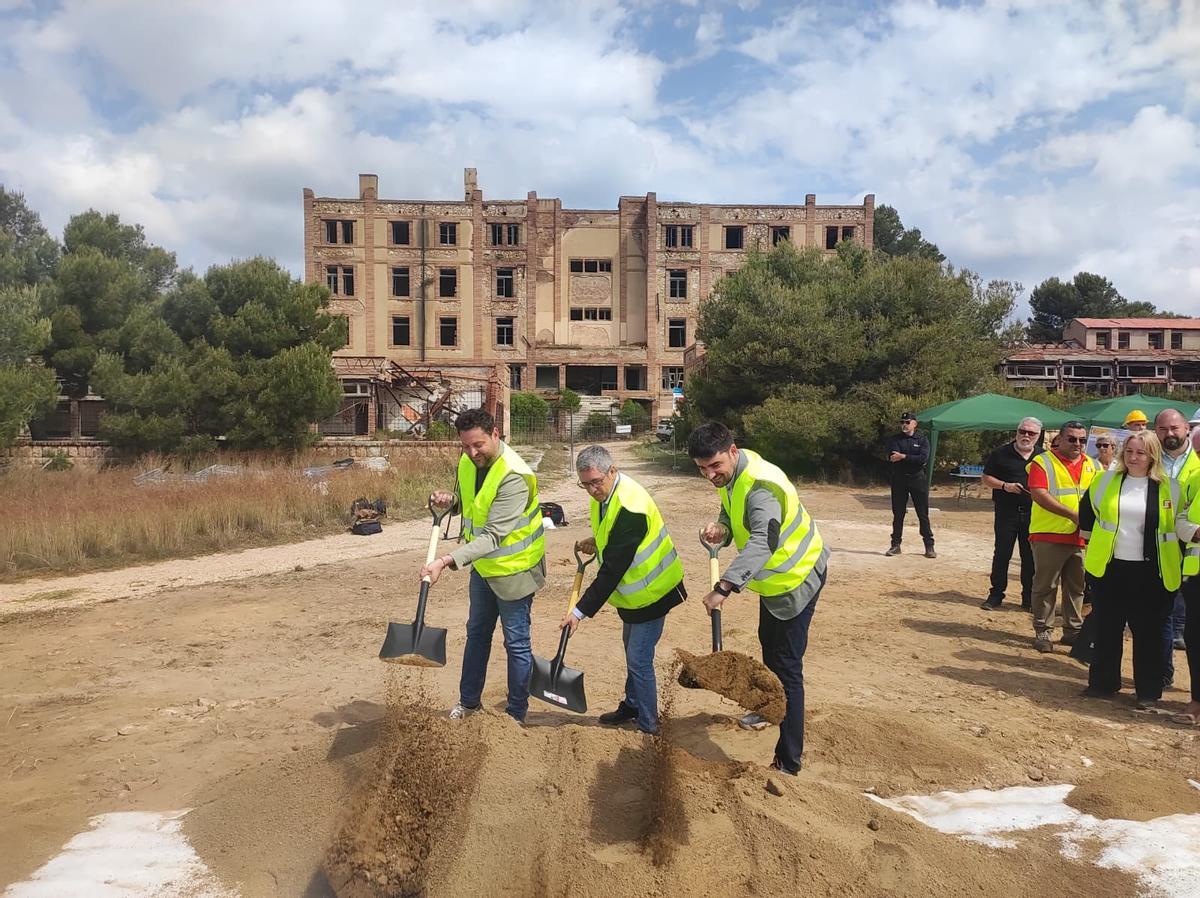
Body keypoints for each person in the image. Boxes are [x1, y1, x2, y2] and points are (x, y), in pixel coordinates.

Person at [688, 422, 829, 775]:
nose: (709, 475)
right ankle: (768, 707)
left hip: (797, 580)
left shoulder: (762, 488)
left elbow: (763, 542)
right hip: (773, 584)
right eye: (702, 468)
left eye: (715, 466)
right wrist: (722, 524)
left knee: (787, 668)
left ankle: (788, 761)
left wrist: (724, 588)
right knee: (770, 649)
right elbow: (734, 511)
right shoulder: (735, 473)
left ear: (732, 451)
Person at [421, 408, 546, 723]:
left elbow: (492, 536)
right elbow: (471, 502)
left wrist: (446, 560)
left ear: (495, 434)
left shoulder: (515, 476)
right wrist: (449, 501)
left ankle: (516, 713)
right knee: (477, 632)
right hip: (484, 569)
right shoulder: (467, 461)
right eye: (466, 446)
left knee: (516, 642)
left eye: (478, 445)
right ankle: (468, 703)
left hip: (515, 570)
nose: (472, 452)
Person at [560, 446, 685, 735]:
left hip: (653, 592)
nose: (592, 490)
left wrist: (579, 612)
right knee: (632, 651)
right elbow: (613, 535)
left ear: (612, 471)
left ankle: (648, 726)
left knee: (639, 659)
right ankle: (633, 705)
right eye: (586, 484)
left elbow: (612, 570)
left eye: (596, 482)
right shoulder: (607, 495)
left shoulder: (631, 506)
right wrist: (598, 540)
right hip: (634, 595)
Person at [1080, 432, 1181, 710]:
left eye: (1141, 453)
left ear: (1153, 456)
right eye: (1130, 452)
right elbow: (1087, 517)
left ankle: (1147, 691)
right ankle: (1102, 684)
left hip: (1152, 573)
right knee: (1107, 629)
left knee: (1148, 634)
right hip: (1111, 569)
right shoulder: (1103, 482)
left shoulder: (1171, 488)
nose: (1134, 458)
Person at [1027, 421, 1099, 653]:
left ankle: (1072, 631)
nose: (1077, 443)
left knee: (1077, 587)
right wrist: (1073, 515)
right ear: (1059, 439)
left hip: (1082, 537)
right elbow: (1038, 493)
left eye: (1082, 439)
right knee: (1045, 586)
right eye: (1072, 439)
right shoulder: (1043, 461)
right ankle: (1043, 631)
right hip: (1049, 534)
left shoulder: (1094, 465)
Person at [980, 417, 1042, 610]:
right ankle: (996, 595)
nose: (1026, 435)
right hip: (1007, 513)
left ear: (1038, 436)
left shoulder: (1044, 456)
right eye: (1022, 431)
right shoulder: (1000, 453)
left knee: (1030, 557)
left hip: (1034, 514)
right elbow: (986, 478)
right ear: (1016, 432)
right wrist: (1004, 486)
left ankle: (1028, 598)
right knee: (1002, 554)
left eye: (1031, 433)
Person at [1155, 408, 1195, 673]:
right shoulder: (1145, 459)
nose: (1169, 434)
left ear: (1187, 429)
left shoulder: (1199, 467)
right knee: (1159, 614)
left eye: (1174, 428)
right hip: (1154, 545)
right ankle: (1162, 672)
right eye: (1163, 429)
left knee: (1189, 613)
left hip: (1191, 546)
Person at [1173, 429, 1200, 726]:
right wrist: (1195, 532)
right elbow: (1179, 519)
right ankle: (1197, 700)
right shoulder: (1195, 480)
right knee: (1195, 639)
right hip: (1197, 574)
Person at [885, 412, 935, 558]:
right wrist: (907, 458)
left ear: (915, 424)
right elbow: (892, 457)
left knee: (922, 513)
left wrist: (904, 456)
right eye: (902, 422)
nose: (904, 425)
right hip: (899, 479)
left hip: (917, 479)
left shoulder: (922, 439)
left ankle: (929, 546)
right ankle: (895, 545)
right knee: (898, 513)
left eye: (907, 422)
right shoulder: (895, 439)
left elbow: (923, 459)